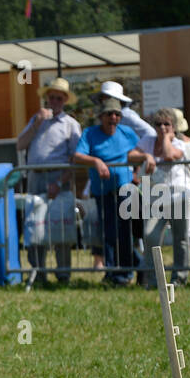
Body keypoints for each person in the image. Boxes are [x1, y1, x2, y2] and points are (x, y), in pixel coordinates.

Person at [72, 96, 156, 285]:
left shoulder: (127, 133)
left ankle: (121, 274)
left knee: (124, 233)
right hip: (102, 192)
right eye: (109, 114)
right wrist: (96, 161)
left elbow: (136, 152)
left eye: (117, 114)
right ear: (101, 116)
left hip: (126, 191)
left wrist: (146, 157)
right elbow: (77, 156)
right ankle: (129, 269)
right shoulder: (90, 133)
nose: (113, 118)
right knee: (110, 235)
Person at [17, 75, 82, 283]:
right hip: (36, 177)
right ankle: (38, 273)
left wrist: (60, 182)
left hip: (58, 177)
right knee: (34, 225)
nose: (53, 102)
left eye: (58, 99)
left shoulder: (71, 125)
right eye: (51, 98)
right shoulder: (36, 120)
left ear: (64, 101)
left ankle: (63, 273)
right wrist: (36, 123)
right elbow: (20, 144)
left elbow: (75, 160)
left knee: (61, 225)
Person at [141, 107, 190, 288]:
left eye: (167, 124)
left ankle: (179, 278)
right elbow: (130, 155)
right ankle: (152, 280)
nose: (162, 127)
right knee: (150, 235)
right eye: (158, 124)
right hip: (156, 197)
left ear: (174, 127)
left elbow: (168, 155)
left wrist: (166, 137)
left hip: (179, 195)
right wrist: (146, 155)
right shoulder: (147, 141)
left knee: (180, 238)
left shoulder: (180, 143)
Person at [95, 81, 156, 153]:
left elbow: (150, 133)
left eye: (107, 98)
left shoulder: (127, 115)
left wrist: (136, 151)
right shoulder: (105, 116)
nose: (104, 101)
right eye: (103, 98)